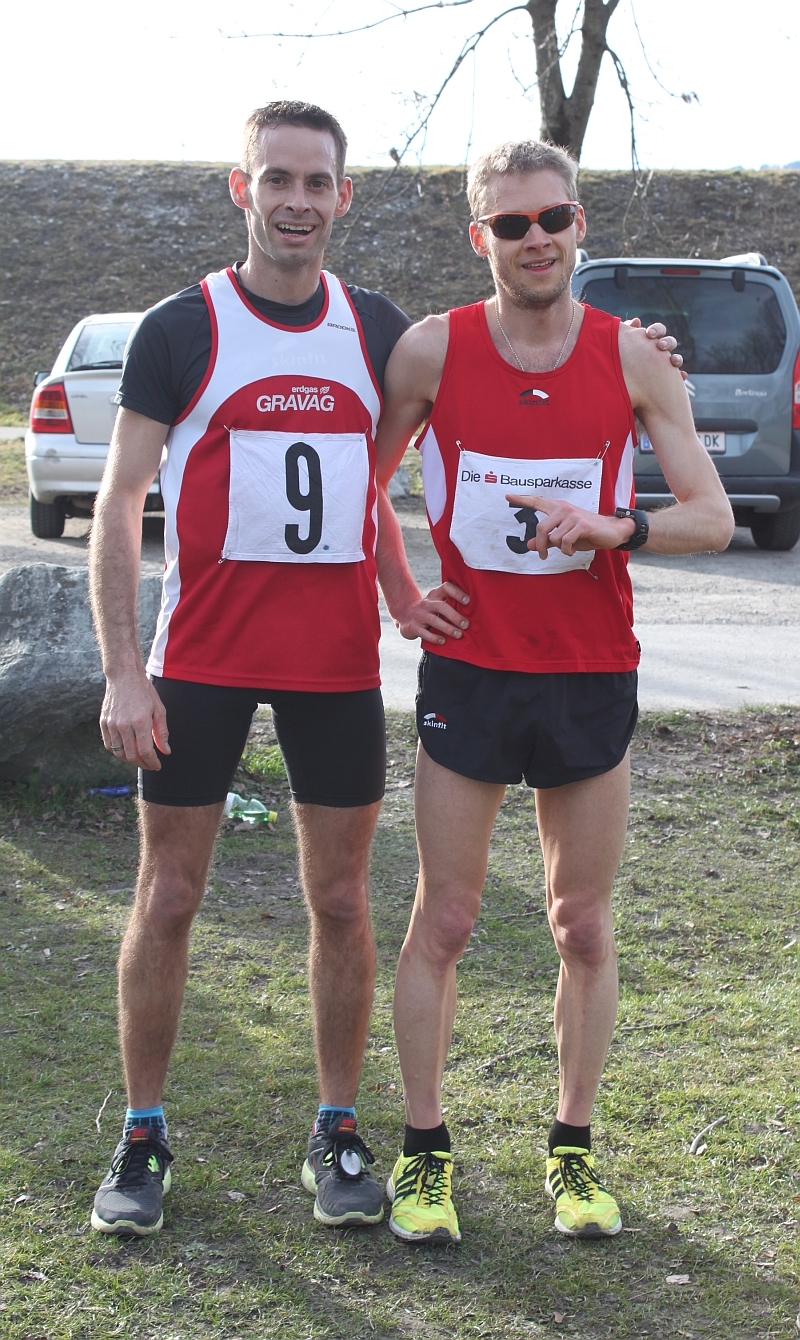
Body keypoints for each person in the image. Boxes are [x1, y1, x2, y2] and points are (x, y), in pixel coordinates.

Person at [87, 100, 470, 1238]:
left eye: (316, 182)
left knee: (341, 898)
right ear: (240, 187)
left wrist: (400, 591)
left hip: (333, 665)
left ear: (343, 196)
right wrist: (123, 670)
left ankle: (337, 1128)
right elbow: (118, 502)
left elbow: (376, 473)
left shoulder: (377, 329)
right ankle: (143, 1131)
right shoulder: (181, 327)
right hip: (199, 658)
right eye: (277, 178)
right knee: (168, 895)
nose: (296, 201)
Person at [374, 139, 734, 1244]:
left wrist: (616, 527)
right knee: (446, 916)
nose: (534, 239)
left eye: (552, 218)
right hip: (473, 670)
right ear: (477, 235)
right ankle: (423, 1152)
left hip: (588, 671)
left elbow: (711, 516)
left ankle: (571, 1150)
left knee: (579, 923)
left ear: (579, 223)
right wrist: (404, 594)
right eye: (510, 222)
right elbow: (363, 483)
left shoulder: (631, 356)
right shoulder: (432, 348)